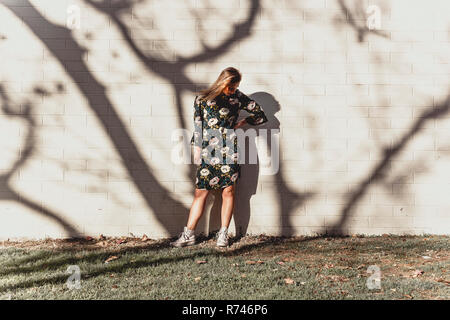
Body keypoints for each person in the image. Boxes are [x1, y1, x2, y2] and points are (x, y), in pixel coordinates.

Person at [171, 67, 268, 248]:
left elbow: (261, 115)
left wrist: (243, 122)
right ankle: (188, 234)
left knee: (228, 191)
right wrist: (198, 149)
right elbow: (197, 125)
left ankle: (223, 234)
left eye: (235, 87)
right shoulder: (202, 99)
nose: (233, 90)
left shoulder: (238, 98)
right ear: (222, 82)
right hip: (208, 149)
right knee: (201, 193)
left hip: (229, 149)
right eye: (230, 87)